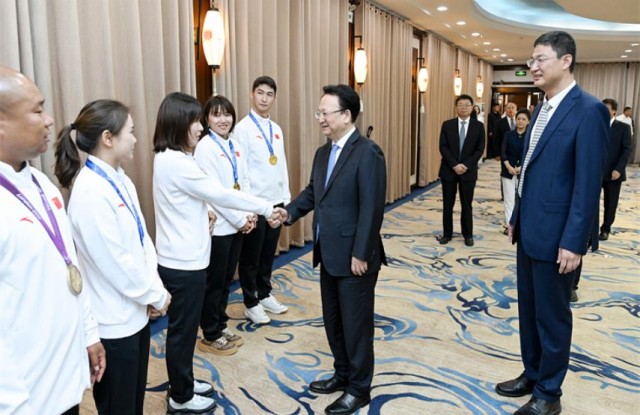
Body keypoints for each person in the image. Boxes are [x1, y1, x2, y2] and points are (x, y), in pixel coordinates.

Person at [497, 31, 609, 415]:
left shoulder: (589, 110)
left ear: (566, 61)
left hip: (559, 236)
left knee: (553, 317)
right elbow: (528, 171)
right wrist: (515, 216)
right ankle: (532, 373)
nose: (533, 66)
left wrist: (575, 241)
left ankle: (549, 393)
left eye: (540, 59)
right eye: (531, 60)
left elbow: (587, 183)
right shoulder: (542, 107)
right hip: (529, 230)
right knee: (529, 311)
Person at [152, 92, 283, 413]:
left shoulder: (174, 158)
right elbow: (221, 194)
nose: (200, 127)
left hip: (186, 256)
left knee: (185, 330)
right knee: (182, 332)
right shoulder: (176, 163)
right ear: (178, 123)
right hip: (182, 262)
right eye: (195, 121)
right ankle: (180, 397)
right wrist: (267, 208)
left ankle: (182, 381)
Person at [53, 99, 171, 414]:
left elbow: (142, 241)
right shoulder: (89, 191)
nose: (135, 139)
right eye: (130, 132)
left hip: (135, 312)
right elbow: (116, 263)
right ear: (108, 138)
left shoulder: (120, 179)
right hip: (113, 324)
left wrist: (152, 289)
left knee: (133, 403)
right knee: (119, 407)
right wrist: (155, 295)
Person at [0, 66, 106, 414]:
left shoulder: (42, 185)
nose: (49, 120)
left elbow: (69, 265)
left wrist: (88, 333)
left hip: (62, 376)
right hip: (24, 398)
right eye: (37, 110)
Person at [281, 84, 386, 415]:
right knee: (334, 321)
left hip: (355, 257)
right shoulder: (323, 152)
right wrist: (288, 212)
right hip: (328, 252)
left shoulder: (368, 152)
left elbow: (372, 208)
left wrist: (361, 253)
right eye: (319, 112)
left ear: (347, 115)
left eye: (325, 113)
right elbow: (314, 192)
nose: (320, 119)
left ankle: (359, 388)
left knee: (357, 327)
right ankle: (342, 374)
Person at [194, 95, 255, 356]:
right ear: (207, 119)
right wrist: (241, 220)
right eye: (216, 115)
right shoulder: (205, 148)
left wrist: (250, 213)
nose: (223, 120)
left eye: (227, 114)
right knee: (215, 282)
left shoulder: (235, 144)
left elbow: (245, 182)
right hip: (220, 228)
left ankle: (220, 324)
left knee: (227, 280)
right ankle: (210, 333)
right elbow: (214, 194)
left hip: (238, 225)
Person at [234, 76, 291, 324]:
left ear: (274, 98)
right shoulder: (242, 129)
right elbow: (242, 170)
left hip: (276, 202)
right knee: (251, 257)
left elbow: (281, 164)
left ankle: (264, 293)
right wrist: (248, 206)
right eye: (260, 93)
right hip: (255, 204)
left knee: (268, 253)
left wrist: (285, 198)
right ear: (251, 94)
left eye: (269, 94)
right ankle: (251, 302)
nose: (264, 98)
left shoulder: (276, 129)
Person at [437, 94, 486, 247]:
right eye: (460, 105)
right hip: (449, 170)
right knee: (448, 204)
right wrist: (454, 165)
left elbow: (480, 149)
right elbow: (443, 147)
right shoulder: (447, 125)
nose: (463, 108)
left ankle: (468, 235)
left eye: (467, 105)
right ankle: (447, 234)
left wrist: (465, 165)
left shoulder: (478, 126)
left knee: (467, 205)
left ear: (472, 108)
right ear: (456, 107)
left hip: (468, 172)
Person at [598, 98, 632, 241]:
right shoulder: (595, 125)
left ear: (614, 111)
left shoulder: (623, 127)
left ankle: (606, 229)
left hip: (614, 172)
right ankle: (590, 230)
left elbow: (626, 150)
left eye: (606, 109)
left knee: (610, 203)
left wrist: (618, 169)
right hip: (596, 172)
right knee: (591, 203)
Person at [500, 109, 530, 234]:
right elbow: (503, 153)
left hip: (524, 172)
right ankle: (509, 226)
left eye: (523, 119)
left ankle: (520, 225)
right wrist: (508, 167)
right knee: (509, 199)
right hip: (508, 171)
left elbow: (530, 154)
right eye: (518, 119)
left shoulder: (530, 136)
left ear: (528, 121)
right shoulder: (508, 135)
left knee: (523, 199)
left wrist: (521, 167)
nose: (520, 121)